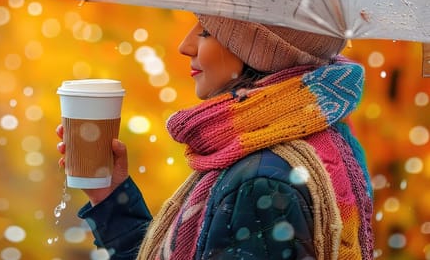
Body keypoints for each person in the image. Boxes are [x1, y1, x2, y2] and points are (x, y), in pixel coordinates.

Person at [56, 14, 373, 259]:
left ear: (256, 51)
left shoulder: (259, 183)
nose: (185, 45)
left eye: (205, 31)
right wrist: (110, 196)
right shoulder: (320, 140)